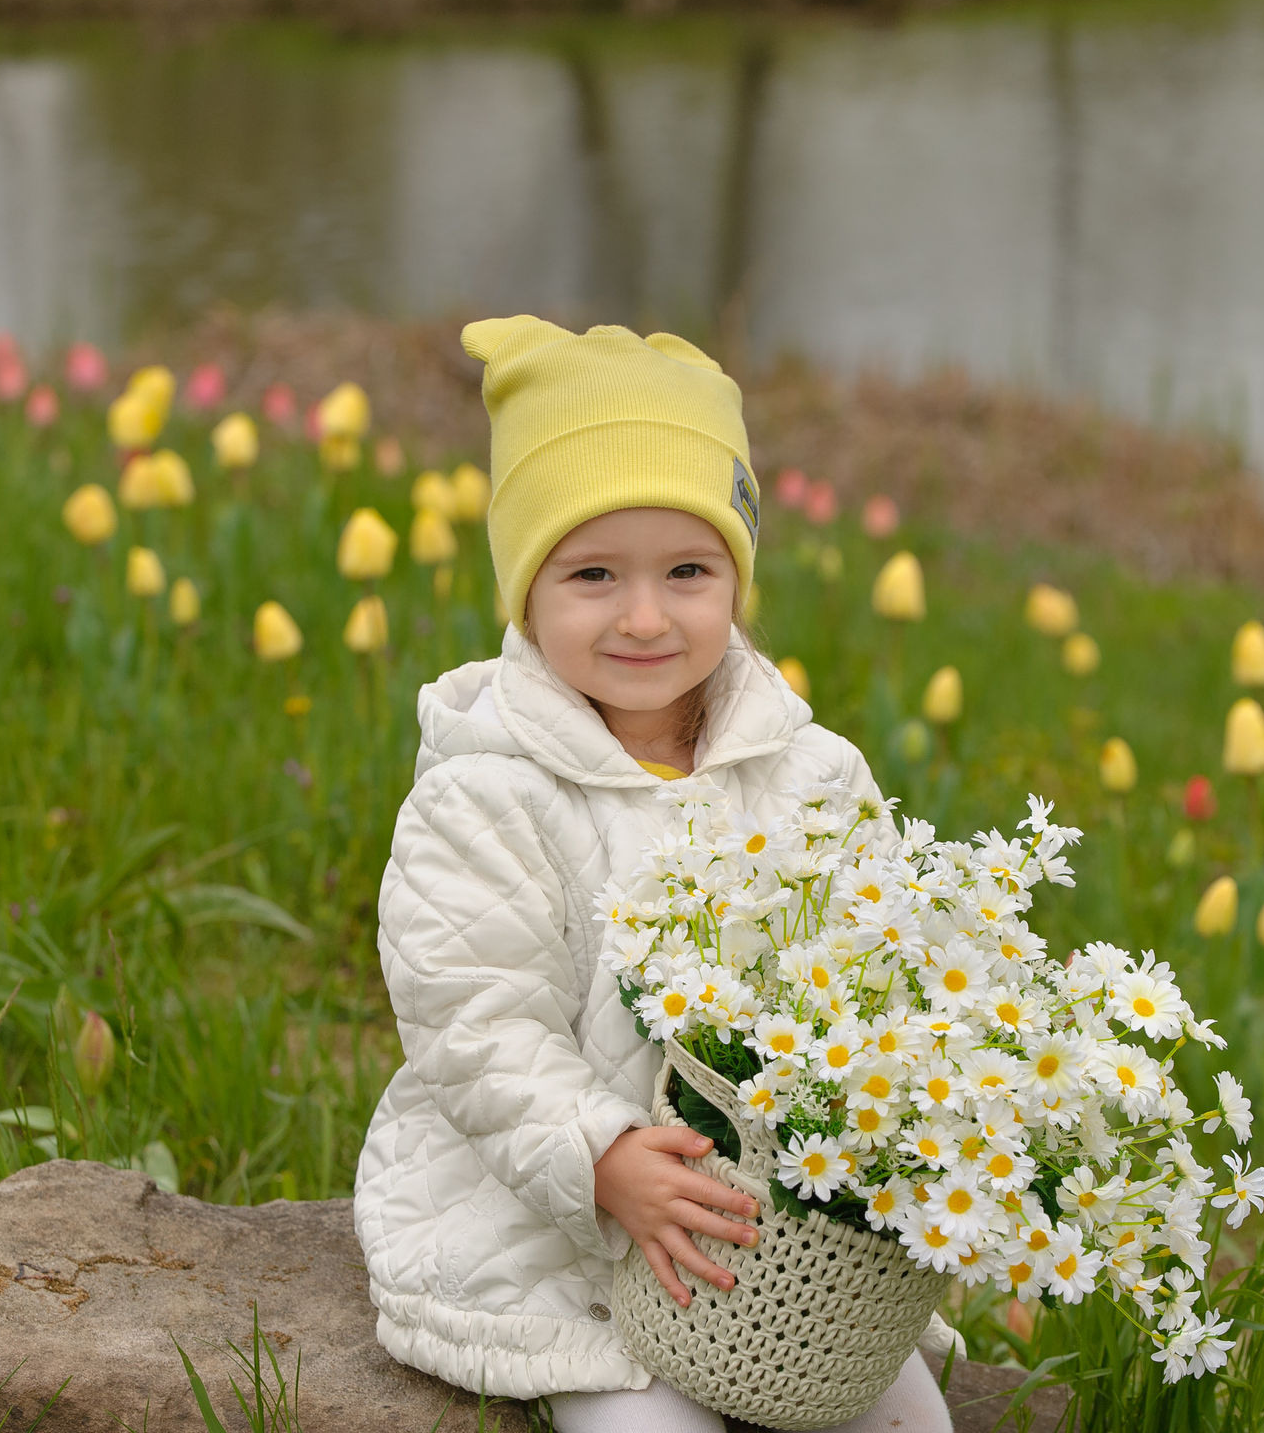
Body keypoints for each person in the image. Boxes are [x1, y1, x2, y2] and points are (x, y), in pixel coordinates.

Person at [352, 315, 957, 1432]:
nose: (643, 616)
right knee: (649, 1422)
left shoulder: (811, 771)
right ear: (524, 592)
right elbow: (471, 1017)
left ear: (737, 574)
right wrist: (601, 1155)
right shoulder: (486, 789)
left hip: (772, 1223)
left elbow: (884, 971)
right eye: (591, 573)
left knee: (903, 1416)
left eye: (688, 570)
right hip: (551, 1214)